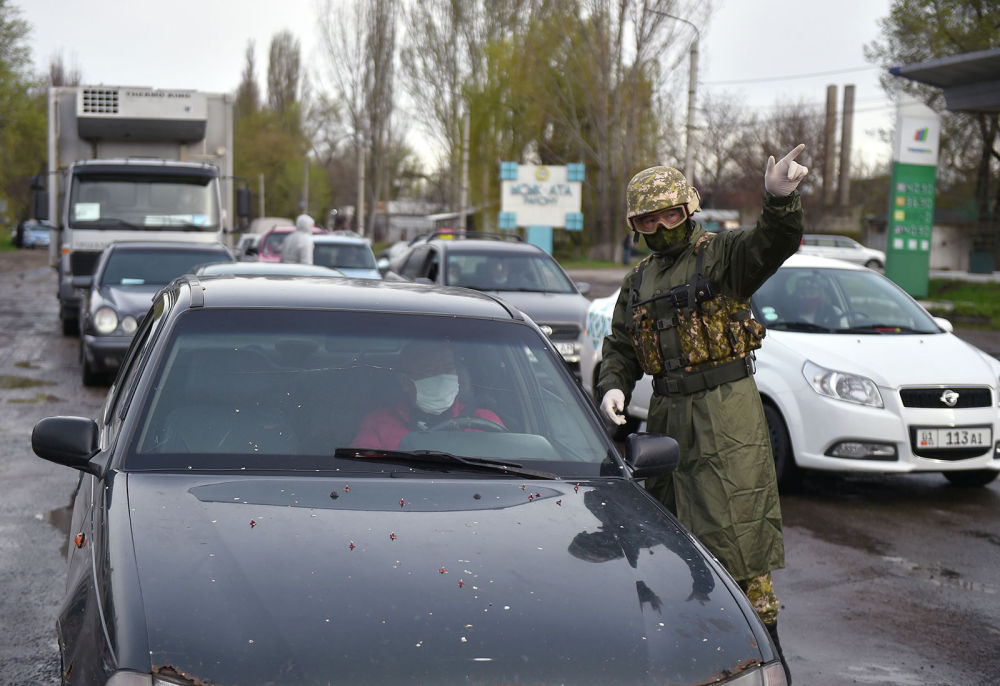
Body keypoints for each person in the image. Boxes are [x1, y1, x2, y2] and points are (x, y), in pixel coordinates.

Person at [596, 144, 808, 684]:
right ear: (635, 224)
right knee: (671, 542)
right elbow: (619, 347)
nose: (660, 224)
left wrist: (779, 200)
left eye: (669, 213)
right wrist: (613, 386)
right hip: (668, 416)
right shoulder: (637, 281)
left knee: (737, 540)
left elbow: (771, 244)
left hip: (726, 414)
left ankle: (767, 663)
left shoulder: (721, 256)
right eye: (648, 217)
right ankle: (692, 660)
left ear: (688, 209)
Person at [350, 341, 504, 450]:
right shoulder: (378, 423)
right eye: (430, 370)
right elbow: (363, 473)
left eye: (448, 368)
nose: (442, 377)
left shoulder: (483, 421)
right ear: (404, 382)